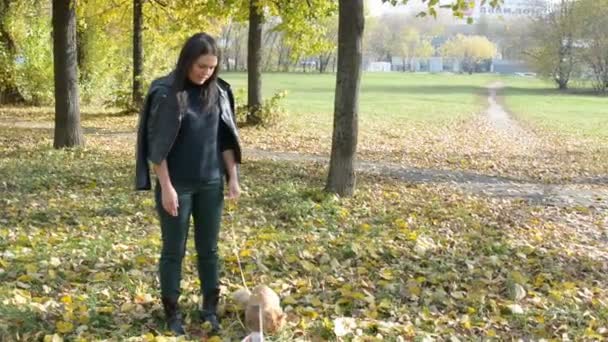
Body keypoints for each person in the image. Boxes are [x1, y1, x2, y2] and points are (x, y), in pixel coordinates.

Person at [135, 32, 242, 335]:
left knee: (209, 250)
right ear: (186, 61)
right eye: (201, 67)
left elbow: (225, 139)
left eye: (211, 68)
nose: (206, 73)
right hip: (176, 185)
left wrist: (232, 178)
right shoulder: (165, 92)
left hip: (211, 184)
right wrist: (166, 187)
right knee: (173, 250)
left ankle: (209, 309)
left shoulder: (218, 92)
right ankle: (172, 313)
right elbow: (158, 146)